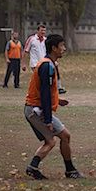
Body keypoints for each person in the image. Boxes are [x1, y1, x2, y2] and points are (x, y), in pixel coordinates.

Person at [23, 34, 81, 179]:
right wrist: (48, 119)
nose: (64, 49)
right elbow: (44, 94)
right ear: (54, 48)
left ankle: (34, 167)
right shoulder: (47, 65)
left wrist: (58, 100)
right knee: (59, 138)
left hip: (34, 108)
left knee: (54, 140)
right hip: (36, 110)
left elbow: (46, 91)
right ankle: (69, 170)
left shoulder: (48, 64)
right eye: (61, 46)